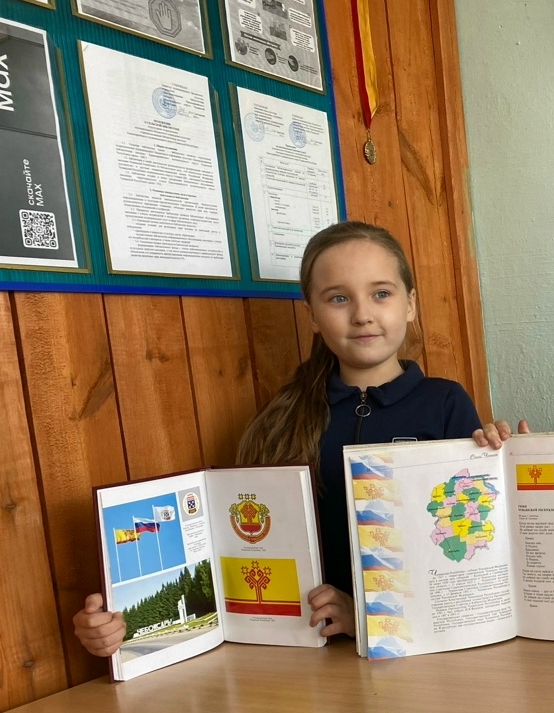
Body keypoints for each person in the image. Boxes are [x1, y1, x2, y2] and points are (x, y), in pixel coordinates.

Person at [73, 220, 505, 656]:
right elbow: (236, 552)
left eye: (381, 293)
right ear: (312, 315)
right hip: (304, 654)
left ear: (410, 304)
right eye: (338, 298)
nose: (362, 314)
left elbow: (470, 554)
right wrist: (127, 627)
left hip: (425, 653)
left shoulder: (445, 403)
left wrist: (506, 460)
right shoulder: (281, 420)